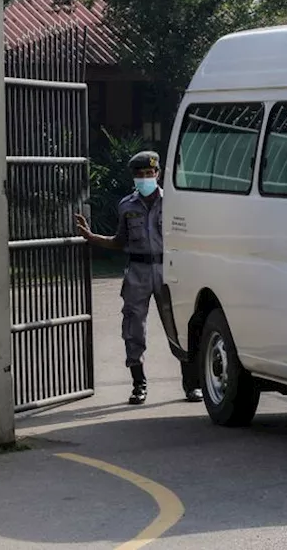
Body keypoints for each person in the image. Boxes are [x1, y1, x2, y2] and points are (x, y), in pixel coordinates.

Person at [74, 150, 203, 405]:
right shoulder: (126, 205)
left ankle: (192, 384)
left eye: (149, 174)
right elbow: (119, 241)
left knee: (179, 326)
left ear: (157, 174)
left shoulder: (174, 203)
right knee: (133, 329)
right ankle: (138, 384)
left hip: (169, 270)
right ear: (133, 177)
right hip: (138, 271)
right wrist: (92, 237)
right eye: (140, 175)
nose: (145, 178)